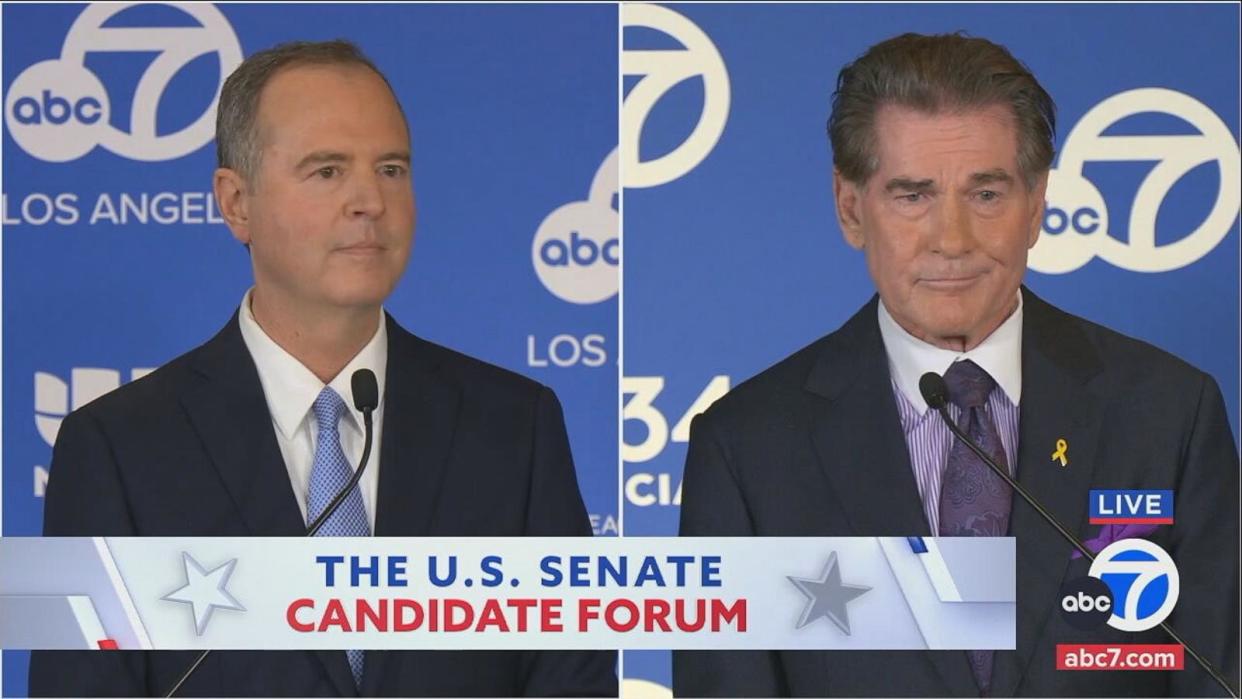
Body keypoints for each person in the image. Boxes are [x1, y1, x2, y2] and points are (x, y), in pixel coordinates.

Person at [30, 40, 616, 698]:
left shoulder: (515, 427)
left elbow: (573, 680)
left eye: (392, 168)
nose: (369, 199)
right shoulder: (116, 449)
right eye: (328, 170)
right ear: (236, 202)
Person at [673, 32, 1239, 698]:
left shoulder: (1170, 412)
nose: (952, 240)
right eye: (912, 196)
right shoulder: (747, 445)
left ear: (1037, 204)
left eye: (987, 196)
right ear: (851, 207)